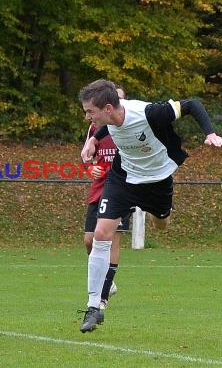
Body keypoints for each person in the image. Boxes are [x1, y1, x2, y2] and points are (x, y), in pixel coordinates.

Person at [78, 79, 222, 333]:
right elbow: (107, 129)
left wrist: (210, 133)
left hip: (157, 180)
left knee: (162, 225)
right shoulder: (107, 120)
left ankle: (162, 212)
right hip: (123, 178)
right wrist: (92, 141)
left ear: (109, 108)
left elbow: (192, 104)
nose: (87, 117)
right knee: (100, 235)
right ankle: (94, 307)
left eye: (90, 112)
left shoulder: (148, 112)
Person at [82, 85, 130, 311]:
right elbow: (87, 159)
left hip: (120, 191)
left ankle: (102, 295)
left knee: (112, 240)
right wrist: (91, 169)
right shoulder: (95, 129)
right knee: (89, 240)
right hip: (98, 188)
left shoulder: (129, 126)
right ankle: (104, 279)